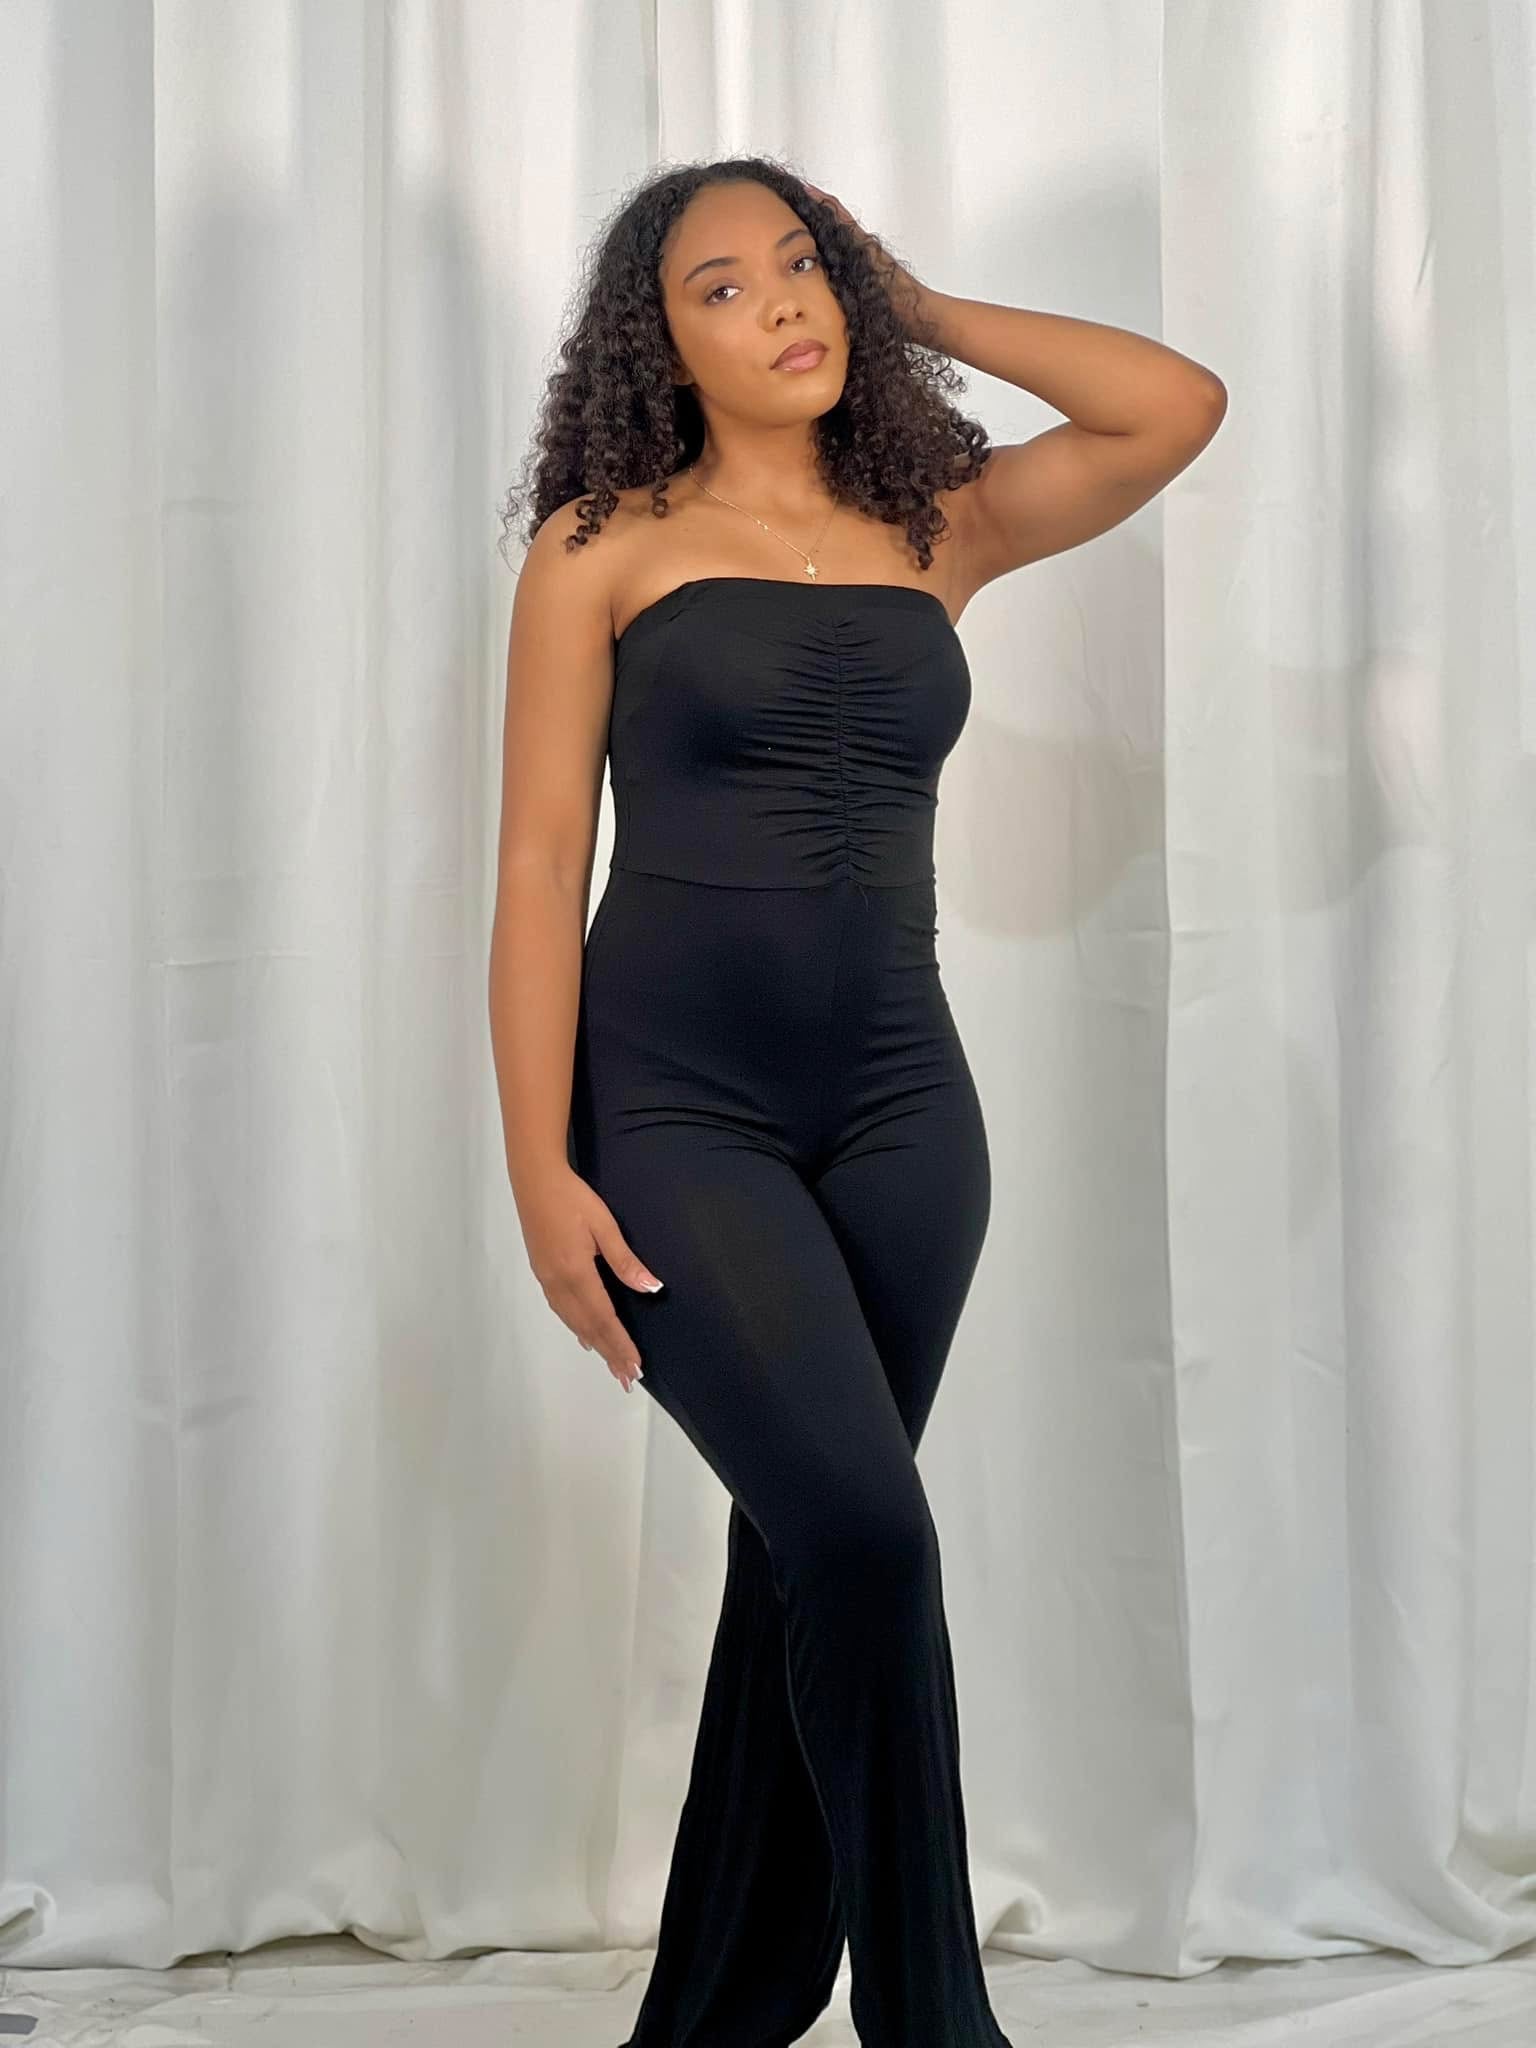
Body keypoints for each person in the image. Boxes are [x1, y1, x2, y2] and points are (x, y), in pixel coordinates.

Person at [489, 155, 1224, 2048]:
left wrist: (929, 307)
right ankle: (935, 2023)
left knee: (811, 1550)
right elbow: (538, 870)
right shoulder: (601, 542)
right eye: (722, 288)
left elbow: (1174, 407)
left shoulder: (935, 527)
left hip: (906, 1117)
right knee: (868, 1540)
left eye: (802, 265)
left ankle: (714, 2017)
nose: (782, 304)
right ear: (658, 346)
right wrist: (538, 1168)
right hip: (676, 1115)